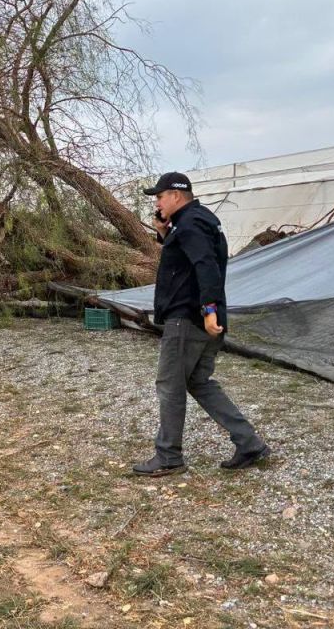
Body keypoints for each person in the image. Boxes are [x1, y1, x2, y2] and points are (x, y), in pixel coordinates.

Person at [132, 171, 270, 476]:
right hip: (204, 317)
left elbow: (205, 266)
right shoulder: (200, 220)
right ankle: (249, 442)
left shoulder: (190, 224)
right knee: (198, 382)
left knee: (169, 385)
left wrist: (208, 310)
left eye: (160, 196)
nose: (157, 203)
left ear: (176, 195)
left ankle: (168, 456)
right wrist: (163, 233)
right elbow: (188, 262)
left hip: (188, 318)